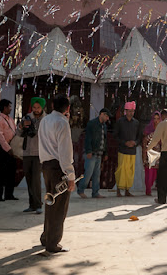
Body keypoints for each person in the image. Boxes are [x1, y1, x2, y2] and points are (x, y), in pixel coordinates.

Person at [38, 94, 76, 254]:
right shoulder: (62, 123)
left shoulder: (45, 120)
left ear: (53, 105)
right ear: (67, 108)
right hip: (58, 167)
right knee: (59, 206)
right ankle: (53, 243)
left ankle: (46, 236)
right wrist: (71, 176)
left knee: (50, 202)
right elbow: (65, 152)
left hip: (46, 164)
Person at [18, 96, 46, 213]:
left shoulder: (46, 119)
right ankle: (32, 205)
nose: (36, 109)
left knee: (36, 180)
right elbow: (18, 133)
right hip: (27, 152)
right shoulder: (27, 117)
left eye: (38, 107)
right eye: (34, 107)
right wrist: (21, 127)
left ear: (42, 107)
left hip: (39, 153)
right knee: (29, 179)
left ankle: (39, 204)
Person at [77, 108, 110, 199]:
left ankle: (95, 192)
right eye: (106, 116)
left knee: (96, 174)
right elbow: (88, 138)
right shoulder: (92, 124)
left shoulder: (104, 126)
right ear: (102, 114)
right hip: (92, 152)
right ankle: (81, 190)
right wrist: (88, 151)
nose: (107, 118)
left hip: (99, 153)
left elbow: (105, 140)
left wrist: (105, 152)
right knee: (88, 173)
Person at [114, 101, 142, 197]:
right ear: (125, 111)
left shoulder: (136, 123)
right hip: (122, 150)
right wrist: (124, 142)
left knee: (130, 171)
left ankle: (127, 190)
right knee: (121, 170)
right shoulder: (120, 122)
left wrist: (135, 142)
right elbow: (115, 136)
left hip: (132, 151)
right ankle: (118, 189)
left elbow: (139, 137)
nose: (131, 113)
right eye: (129, 111)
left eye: (132, 111)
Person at [0, 98, 18, 201]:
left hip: (11, 148)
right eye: (9, 107)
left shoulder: (10, 120)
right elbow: (0, 136)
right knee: (1, 173)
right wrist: (7, 148)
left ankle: (9, 194)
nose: (10, 109)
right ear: (4, 107)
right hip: (3, 149)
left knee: (11, 172)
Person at [142, 111, 161, 196]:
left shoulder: (161, 129)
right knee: (149, 173)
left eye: (158, 119)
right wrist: (144, 155)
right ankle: (148, 190)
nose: (156, 121)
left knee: (154, 174)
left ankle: (151, 188)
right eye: (154, 118)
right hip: (149, 153)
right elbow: (144, 141)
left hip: (158, 154)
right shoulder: (148, 129)